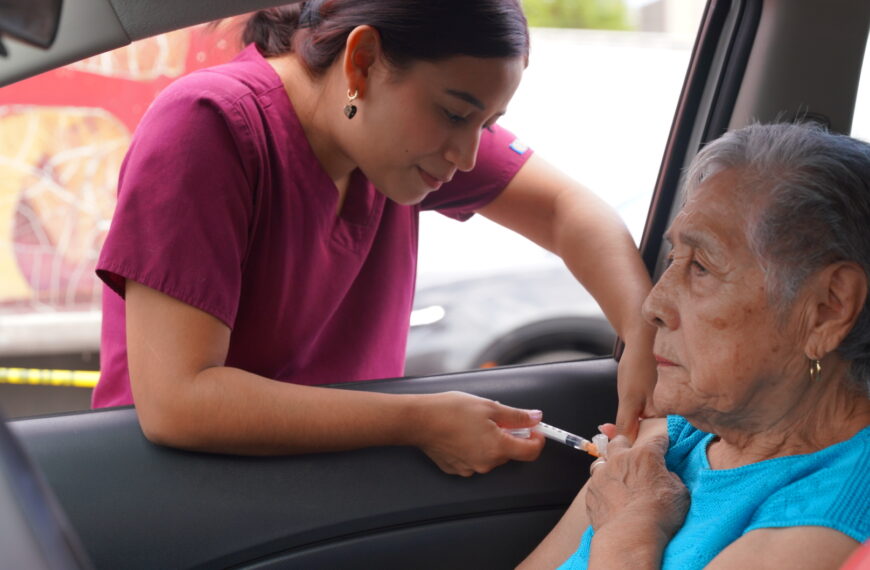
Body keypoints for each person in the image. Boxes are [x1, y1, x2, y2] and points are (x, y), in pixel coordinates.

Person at [92, 0, 657, 476]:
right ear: (361, 63)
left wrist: (643, 334)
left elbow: (568, 210)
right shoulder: (209, 124)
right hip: (184, 494)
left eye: (485, 126)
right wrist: (420, 420)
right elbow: (178, 401)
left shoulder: (385, 141)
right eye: (455, 113)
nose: (465, 157)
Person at [520, 122, 870, 567]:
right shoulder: (687, 433)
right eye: (673, 259)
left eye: (701, 267)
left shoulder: (834, 520)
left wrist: (628, 532)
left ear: (826, 308)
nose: (653, 305)